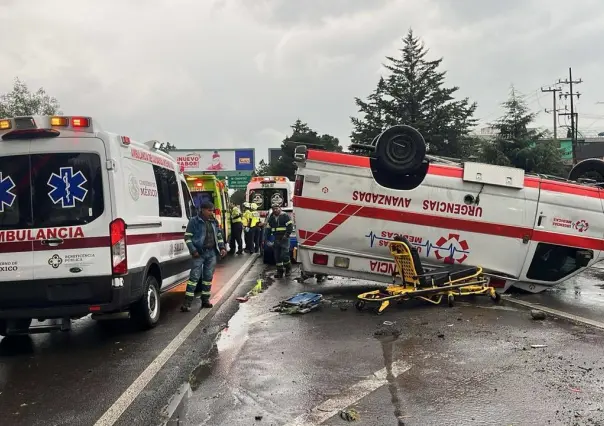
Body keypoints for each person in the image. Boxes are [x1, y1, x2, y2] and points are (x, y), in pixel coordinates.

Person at [182, 200, 227, 312]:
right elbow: (187, 237)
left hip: (211, 253)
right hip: (199, 253)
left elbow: (219, 235)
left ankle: (205, 300)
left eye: (212, 210)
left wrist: (221, 247)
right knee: (194, 278)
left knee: (208, 278)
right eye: (209, 210)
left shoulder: (214, 221)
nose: (211, 212)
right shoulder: (194, 221)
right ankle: (187, 303)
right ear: (202, 210)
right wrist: (193, 250)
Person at [265, 203, 294, 278]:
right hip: (276, 239)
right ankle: (280, 272)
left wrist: (286, 235)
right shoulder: (271, 218)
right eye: (274, 209)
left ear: (280, 208)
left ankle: (288, 269)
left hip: (284, 239)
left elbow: (290, 226)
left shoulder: (285, 216)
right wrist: (267, 239)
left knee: (284, 255)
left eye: (277, 208)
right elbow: (268, 229)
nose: (275, 210)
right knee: (277, 256)